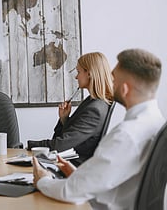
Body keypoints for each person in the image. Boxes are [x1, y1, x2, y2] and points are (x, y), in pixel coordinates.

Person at [33, 48, 165, 209]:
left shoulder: (126, 135)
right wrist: (78, 175)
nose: (110, 82)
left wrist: (42, 180)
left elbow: (71, 192)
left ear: (124, 89)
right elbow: (117, 181)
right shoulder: (156, 124)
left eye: (114, 79)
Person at [27, 52, 114, 165]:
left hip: (74, 166)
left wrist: (30, 146)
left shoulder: (95, 109)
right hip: (68, 161)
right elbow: (67, 137)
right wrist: (64, 119)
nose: (76, 76)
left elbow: (61, 145)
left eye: (78, 72)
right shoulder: (92, 102)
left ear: (89, 74)